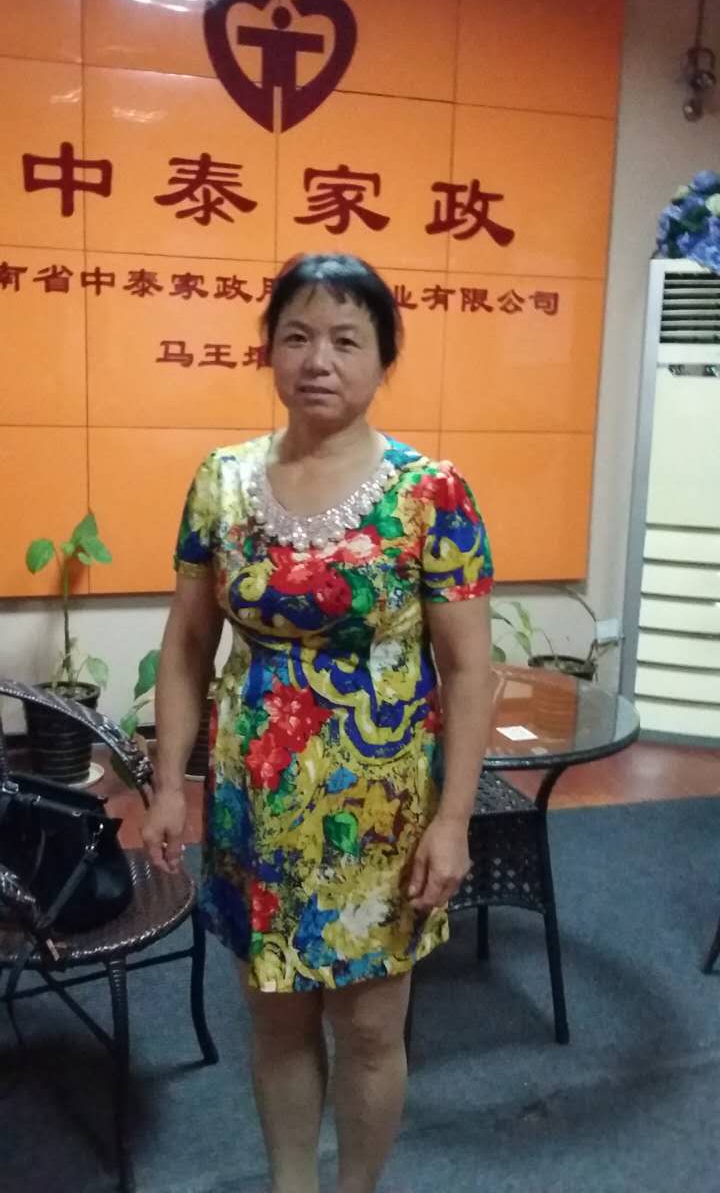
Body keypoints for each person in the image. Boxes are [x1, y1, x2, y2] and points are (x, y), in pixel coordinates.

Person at [142, 252, 495, 1193]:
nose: (318, 360)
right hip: (251, 805)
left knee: (370, 1029)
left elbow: (470, 671)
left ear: (384, 358)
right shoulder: (222, 482)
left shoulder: (432, 493)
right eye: (296, 336)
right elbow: (186, 645)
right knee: (276, 1017)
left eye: (345, 339)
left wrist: (454, 820)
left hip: (382, 813)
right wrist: (168, 783)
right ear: (268, 350)